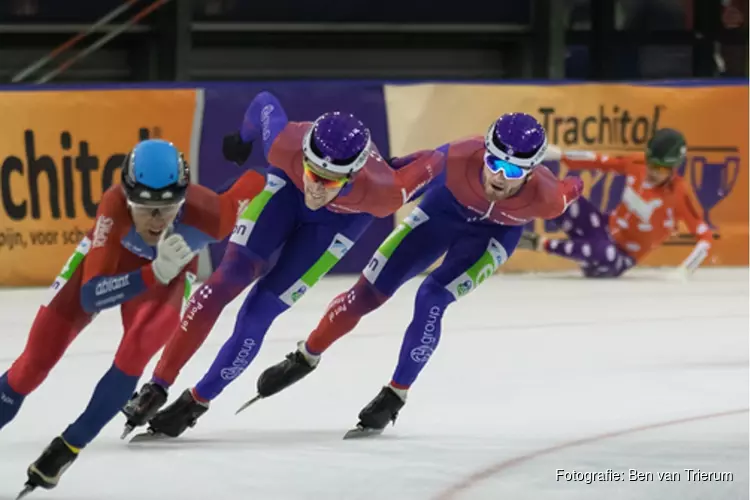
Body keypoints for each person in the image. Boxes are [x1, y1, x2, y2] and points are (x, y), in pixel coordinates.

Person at [121, 91, 444, 441]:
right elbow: (262, 100)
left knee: (258, 313)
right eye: (313, 171)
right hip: (284, 194)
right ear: (304, 156)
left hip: (337, 226)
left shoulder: (386, 193)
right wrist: (241, 140)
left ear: (350, 176)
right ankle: (157, 386)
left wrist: (401, 168)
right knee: (221, 283)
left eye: (330, 180)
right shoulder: (283, 142)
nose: (316, 187)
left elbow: (441, 161)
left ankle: (197, 402)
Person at [253, 112, 584, 438]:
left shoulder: (549, 198)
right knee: (365, 294)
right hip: (438, 216)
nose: (497, 176)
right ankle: (306, 356)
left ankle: (395, 393)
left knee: (432, 297)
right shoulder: (456, 156)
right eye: (493, 162)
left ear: (531, 171)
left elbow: (575, 185)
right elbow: (400, 172)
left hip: (493, 238)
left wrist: (580, 177)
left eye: (511, 170)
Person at [0, 139, 265, 497]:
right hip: (120, 270)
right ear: (126, 198)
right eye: (144, 208)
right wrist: (152, 272)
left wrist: (254, 144)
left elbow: (258, 180)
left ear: (183, 199)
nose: (155, 221)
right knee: (33, 363)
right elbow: (91, 294)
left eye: (167, 207)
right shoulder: (113, 205)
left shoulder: (215, 216)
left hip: (168, 279)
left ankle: (70, 446)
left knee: (139, 346)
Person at [519, 128, 712, 277]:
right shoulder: (638, 164)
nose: (653, 172)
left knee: (604, 253)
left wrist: (685, 270)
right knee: (564, 195)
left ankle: (540, 244)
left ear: (674, 167)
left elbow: (705, 237)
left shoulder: (679, 193)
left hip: (620, 256)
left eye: (661, 169)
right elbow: (599, 161)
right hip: (602, 227)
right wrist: (560, 155)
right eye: (652, 164)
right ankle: (510, 204)